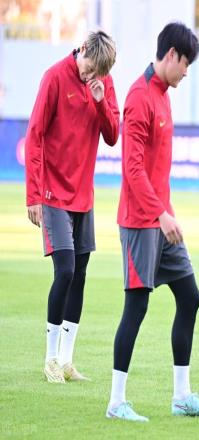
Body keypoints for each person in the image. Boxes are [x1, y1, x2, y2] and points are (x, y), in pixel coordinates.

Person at [106, 22, 199, 422]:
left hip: (162, 220)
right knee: (136, 306)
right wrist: (159, 212)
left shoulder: (164, 96)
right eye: (186, 63)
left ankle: (182, 396)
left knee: (190, 297)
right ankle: (116, 402)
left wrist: (165, 213)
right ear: (171, 55)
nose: (187, 72)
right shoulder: (139, 98)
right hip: (140, 222)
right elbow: (133, 169)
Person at [25, 31, 119, 383]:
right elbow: (35, 135)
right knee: (64, 271)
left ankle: (66, 361)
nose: (90, 75)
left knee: (79, 276)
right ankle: (50, 359)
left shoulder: (103, 83)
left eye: (98, 73)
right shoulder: (54, 77)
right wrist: (33, 195)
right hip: (53, 194)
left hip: (84, 196)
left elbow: (113, 135)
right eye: (89, 68)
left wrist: (100, 100)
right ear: (82, 50)